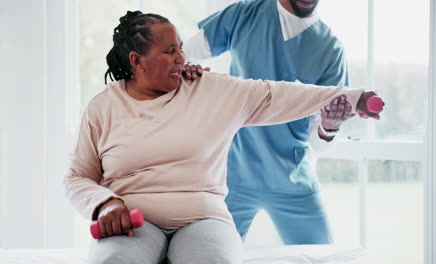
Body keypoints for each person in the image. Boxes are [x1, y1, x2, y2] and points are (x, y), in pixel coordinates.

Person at [64, 10, 380, 264]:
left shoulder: (209, 89)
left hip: (203, 219)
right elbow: (77, 177)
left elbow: (276, 94)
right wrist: (104, 204)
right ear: (136, 61)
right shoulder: (103, 107)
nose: (180, 58)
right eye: (170, 50)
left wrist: (353, 97)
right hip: (134, 221)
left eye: (181, 49)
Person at [183, 0, 353, 244]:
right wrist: (190, 76)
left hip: (293, 181)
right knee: (208, 254)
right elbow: (183, 54)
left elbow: (320, 143)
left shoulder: (330, 49)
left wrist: (329, 126)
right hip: (231, 177)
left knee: (322, 256)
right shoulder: (244, 14)